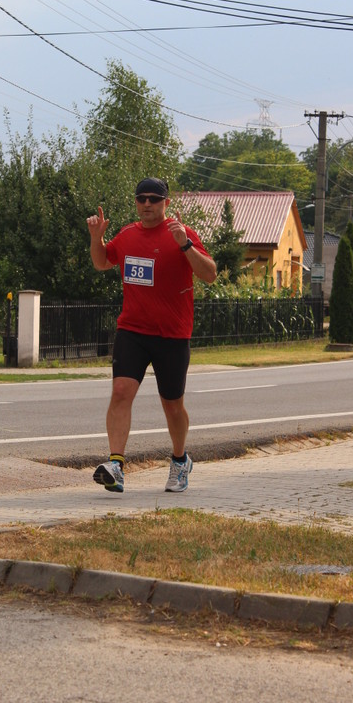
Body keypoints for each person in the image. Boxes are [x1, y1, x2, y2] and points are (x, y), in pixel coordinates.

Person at [86, 177, 217, 494]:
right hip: (133, 330)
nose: (147, 204)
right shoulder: (128, 235)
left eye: (154, 199)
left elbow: (210, 274)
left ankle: (179, 460)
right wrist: (96, 238)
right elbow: (103, 261)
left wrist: (185, 244)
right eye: (141, 198)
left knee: (172, 405)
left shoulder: (180, 233)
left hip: (172, 335)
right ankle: (115, 465)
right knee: (120, 391)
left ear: (165, 203)